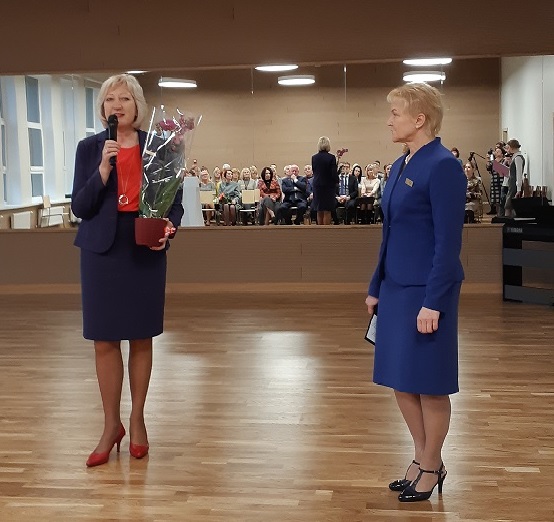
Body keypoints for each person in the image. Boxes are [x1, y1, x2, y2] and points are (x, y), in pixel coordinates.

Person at [71, 74, 184, 467]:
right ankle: (110, 426)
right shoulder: (90, 148)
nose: (116, 105)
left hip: (143, 247)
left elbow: (174, 204)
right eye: (109, 99)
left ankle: (137, 420)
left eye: (124, 98)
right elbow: (80, 206)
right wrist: (103, 170)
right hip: (100, 251)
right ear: (102, 108)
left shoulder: (161, 147)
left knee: (140, 336)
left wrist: (167, 229)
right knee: (103, 340)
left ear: (137, 106)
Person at [365, 82, 466, 502]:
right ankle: (425, 457)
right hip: (395, 289)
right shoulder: (399, 164)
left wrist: (434, 302)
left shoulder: (443, 166)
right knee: (401, 380)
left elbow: (448, 243)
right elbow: (389, 233)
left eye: (395, 113)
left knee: (429, 382)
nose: (389, 120)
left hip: (427, 292)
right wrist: (376, 286)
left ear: (419, 118)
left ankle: (430, 463)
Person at [312, 136, 339, 225]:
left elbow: (315, 171)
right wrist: (337, 181)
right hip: (328, 186)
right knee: (327, 210)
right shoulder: (331, 157)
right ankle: (326, 230)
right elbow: (333, 173)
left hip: (317, 185)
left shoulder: (314, 157)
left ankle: (319, 230)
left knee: (319, 209)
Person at [504, 139, 525, 218]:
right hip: (512, 184)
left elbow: (519, 174)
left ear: (512, 147)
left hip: (514, 185)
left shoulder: (518, 158)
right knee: (509, 205)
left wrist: (518, 189)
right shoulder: (515, 157)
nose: (507, 150)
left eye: (508, 148)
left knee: (509, 205)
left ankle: (509, 220)